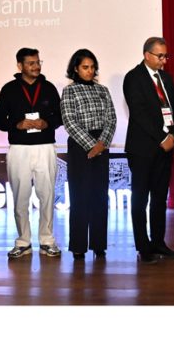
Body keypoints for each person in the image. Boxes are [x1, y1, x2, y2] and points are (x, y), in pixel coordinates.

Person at [0, 48, 63, 259]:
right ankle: (23, 241)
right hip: (19, 149)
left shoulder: (49, 88)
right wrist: (17, 124)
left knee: (47, 195)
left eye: (38, 62)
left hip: (45, 147)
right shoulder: (9, 89)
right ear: (20, 66)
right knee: (20, 197)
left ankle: (47, 240)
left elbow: (60, 117)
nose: (36, 66)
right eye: (31, 63)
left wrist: (46, 123)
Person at [123, 37, 174, 264]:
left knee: (160, 197)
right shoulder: (133, 78)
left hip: (166, 147)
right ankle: (143, 246)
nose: (164, 60)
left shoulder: (165, 78)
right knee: (140, 198)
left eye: (166, 56)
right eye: (160, 56)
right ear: (147, 55)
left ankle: (159, 242)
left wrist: (173, 134)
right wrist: (161, 137)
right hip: (143, 148)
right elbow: (138, 114)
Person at [61, 49, 116, 260]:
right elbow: (69, 121)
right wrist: (92, 145)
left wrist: (101, 144)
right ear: (75, 69)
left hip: (102, 145)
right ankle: (78, 246)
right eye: (85, 67)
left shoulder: (103, 90)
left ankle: (99, 244)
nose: (90, 71)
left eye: (92, 67)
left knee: (100, 197)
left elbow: (111, 119)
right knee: (80, 197)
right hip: (79, 146)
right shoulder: (70, 91)